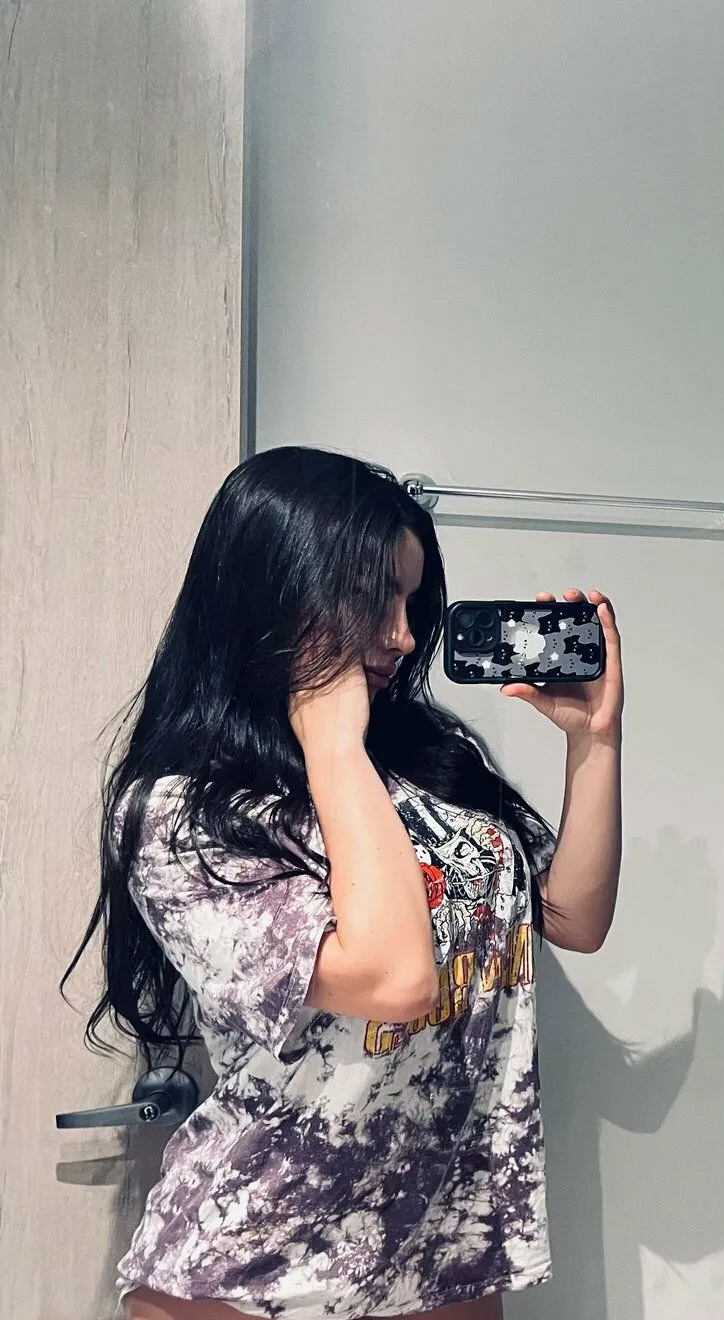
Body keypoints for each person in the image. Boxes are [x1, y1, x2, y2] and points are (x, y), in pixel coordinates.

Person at [65, 447, 626, 1320]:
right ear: (279, 592)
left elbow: (573, 917)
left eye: (410, 603)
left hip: (443, 1256)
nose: (402, 636)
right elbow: (393, 981)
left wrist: (596, 742)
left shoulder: (425, 763)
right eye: (373, 600)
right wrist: (329, 742)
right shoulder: (181, 810)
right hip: (255, 1272)